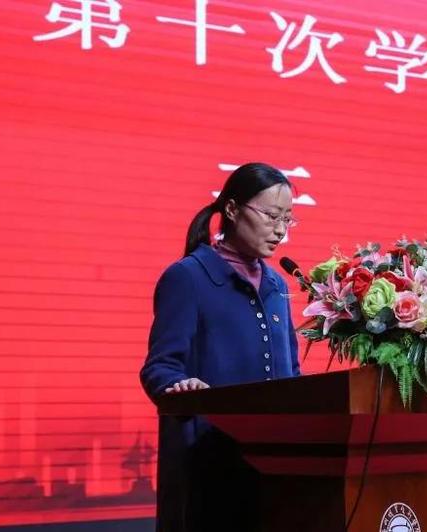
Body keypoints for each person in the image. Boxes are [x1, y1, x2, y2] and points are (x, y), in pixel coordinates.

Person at [139, 162, 301, 532]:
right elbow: (160, 367)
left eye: (287, 219)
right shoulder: (188, 276)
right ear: (231, 209)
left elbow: (291, 373)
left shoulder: (277, 285)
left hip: (275, 465)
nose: (280, 230)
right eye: (272, 216)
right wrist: (180, 387)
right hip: (211, 465)